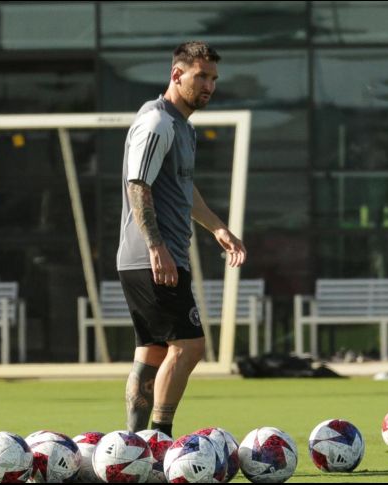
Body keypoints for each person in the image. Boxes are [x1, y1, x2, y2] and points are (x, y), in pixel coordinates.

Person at [117, 41, 247, 437]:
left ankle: (135, 447)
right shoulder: (157, 122)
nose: (208, 85)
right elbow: (137, 183)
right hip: (153, 256)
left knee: (153, 353)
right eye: (201, 76)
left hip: (151, 257)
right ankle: (159, 440)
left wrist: (217, 227)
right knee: (189, 347)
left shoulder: (182, 128)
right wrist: (157, 247)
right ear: (176, 74)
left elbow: (182, 189)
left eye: (213, 78)